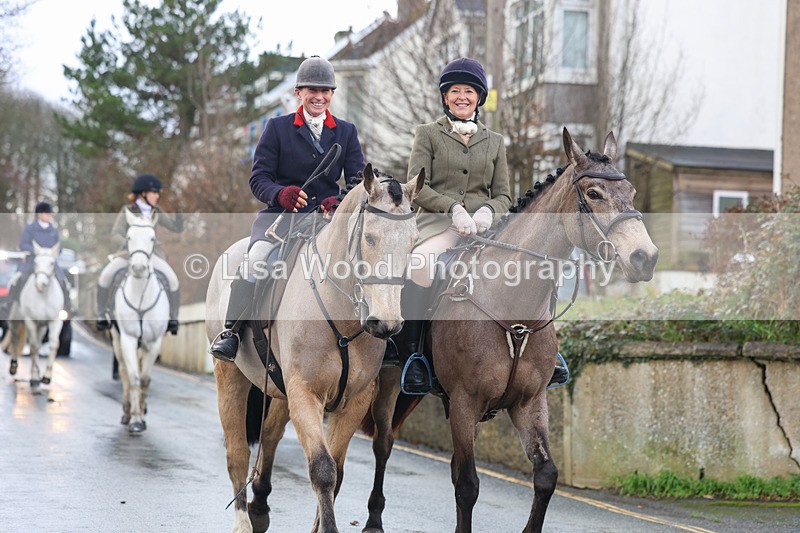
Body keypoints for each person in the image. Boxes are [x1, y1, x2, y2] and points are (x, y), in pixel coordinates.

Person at [209, 55, 365, 362]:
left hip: (327, 219)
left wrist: (340, 202)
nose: (319, 96)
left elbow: (358, 181)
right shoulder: (277, 128)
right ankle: (232, 331)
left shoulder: (346, 132)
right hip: (282, 219)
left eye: (326, 91)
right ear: (299, 93)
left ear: (332, 94)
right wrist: (281, 194)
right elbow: (258, 179)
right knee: (255, 260)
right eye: (312, 90)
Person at [394, 57, 512, 394]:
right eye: (455, 91)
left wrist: (489, 211)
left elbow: (503, 193)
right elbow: (416, 186)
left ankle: (545, 354)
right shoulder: (427, 134)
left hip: (485, 230)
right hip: (439, 226)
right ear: (445, 97)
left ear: (479, 98)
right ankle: (414, 356)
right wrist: (453, 209)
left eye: (469, 91)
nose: (462, 96)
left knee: (530, 266)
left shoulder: (495, 142)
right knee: (420, 264)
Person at [95, 173, 183, 334]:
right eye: (154, 192)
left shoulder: (156, 211)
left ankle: (173, 318)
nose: (158, 196)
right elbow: (115, 234)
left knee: (173, 280)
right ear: (143, 193)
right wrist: (129, 245)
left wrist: (179, 215)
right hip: (128, 254)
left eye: (158, 193)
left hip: (152, 256)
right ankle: (102, 314)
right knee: (105, 276)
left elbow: (175, 228)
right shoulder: (127, 210)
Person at [2, 201, 71, 316]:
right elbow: (23, 244)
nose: (49, 216)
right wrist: (36, 251)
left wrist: (51, 252)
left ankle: (68, 306)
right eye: (46, 213)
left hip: (49, 263)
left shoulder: (54, 230)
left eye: (49, 214)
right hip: (32, 261)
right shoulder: (30, 228)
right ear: (39, 214)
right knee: (18, 280)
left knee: (63, 280)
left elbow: (59, 247)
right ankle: (8, 305)